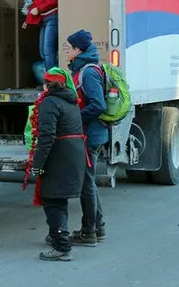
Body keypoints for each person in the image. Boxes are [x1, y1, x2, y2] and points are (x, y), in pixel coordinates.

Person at [29, 68, 87, 261]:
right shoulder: (71, 101)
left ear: (46, 85)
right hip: (75, 154)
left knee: (53, 201)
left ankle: (61, 246)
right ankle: (58, 237)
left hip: (59, 157)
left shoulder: (49, 103)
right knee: (60, 200)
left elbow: (46, 137)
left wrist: (37, 165)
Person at [66, 30, 107, 246]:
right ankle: (97, 227)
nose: (68, 51)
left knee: (85, 184)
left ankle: (88, 232)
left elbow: (98, 105)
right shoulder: (84, 69)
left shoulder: (88, 72)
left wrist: (75, 118)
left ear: (78, 49)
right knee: (88, 181)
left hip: (89, 135)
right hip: (90, 134)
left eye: (70, 47)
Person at [21, 0, 60, 72]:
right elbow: (35, 3)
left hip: (52, 17)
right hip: (44, 19)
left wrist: (38, 9)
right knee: (43, 51)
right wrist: (28, 20)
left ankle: (54, 81)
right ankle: (50, 78)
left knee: (48, 50)